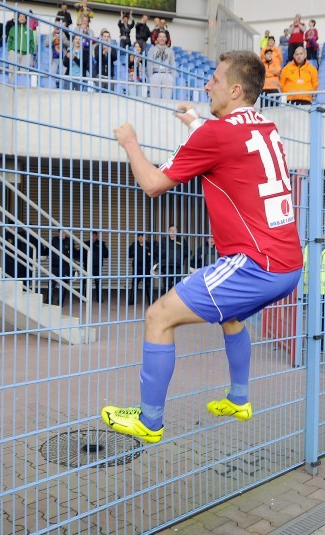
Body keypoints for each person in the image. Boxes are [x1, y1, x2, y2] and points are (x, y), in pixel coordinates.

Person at [102, 50, 303, 444]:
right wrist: (195, 121)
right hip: (288, 265)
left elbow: (153, 184)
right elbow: (229, 144)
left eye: (215, 79)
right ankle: (239, 399)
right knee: (232, 316)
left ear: (235, 89)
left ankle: (149, 421)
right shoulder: (266, 127)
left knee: (158, 316)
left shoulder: (215, 135)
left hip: (255, 266)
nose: (207, 85)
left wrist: (129, 143)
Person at [47, 230, 77, 305]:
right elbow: (47, 250)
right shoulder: (54, 240)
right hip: (54, 265)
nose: (62, 234)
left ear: (66, 234)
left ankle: (60, 302)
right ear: (58, 233)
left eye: (64, 233)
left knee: (63, 284)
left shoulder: (69, 241)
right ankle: (49, 301)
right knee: (51, 284)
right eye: (60, 232)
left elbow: (74, 252)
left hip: (65, 266)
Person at [158, 225, 189, 294]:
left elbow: (187, 252)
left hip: (178, 266)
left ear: (177, 231)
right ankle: (166, 299)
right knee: (167, 285)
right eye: (170, 230)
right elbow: (159, 252)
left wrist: (180, 255)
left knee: (178, 285)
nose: (172, 232)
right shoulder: (164, 240)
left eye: (174, 230)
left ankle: (175, 300)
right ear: (168, 232)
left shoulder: (181, 240)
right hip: (167, 266)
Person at [7, 13, 36, 84]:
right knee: (12, 71)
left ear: (26, 19)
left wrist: (30, 53)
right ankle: (10, 86)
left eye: (24, 17)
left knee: (23, 73)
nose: (22, 18)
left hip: (25, 55)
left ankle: (21, 88)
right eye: (20, 16)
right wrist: (10, 50)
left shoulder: (29, 31)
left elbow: (32, 43)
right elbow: (9, 40)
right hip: (14, 52)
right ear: (18, 18)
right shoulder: (13, 28)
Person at [147, 31, 176, 99]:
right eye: (160, 36)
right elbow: (149, 64)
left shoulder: (170, 51)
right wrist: (150, 76)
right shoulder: (152, 49)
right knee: (154, 97)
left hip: (167, 74)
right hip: (155, 73)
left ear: (166, 39)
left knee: (167, 98)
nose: (162, 38)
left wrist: (172, 77)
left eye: (163, 37)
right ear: (157, 38)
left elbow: (173, 64)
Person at [127, 234, 153, 305]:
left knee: (148, 285)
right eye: (139, 237)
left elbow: (153, 255)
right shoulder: (134, 245)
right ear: (137, 238)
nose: (141, 238)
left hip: (146, 268)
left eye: (142, 237)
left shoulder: (149, 245)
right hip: (137, 268)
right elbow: (129, 255)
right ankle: (131, 300)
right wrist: (134, 252)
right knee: (134, 285)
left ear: (145, 238)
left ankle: (150, 300)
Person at [83, 231, 109, 301]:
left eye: (95, 235)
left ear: (97, 236)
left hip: (97, 266)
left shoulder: (101, 244)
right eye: (92, 235)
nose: (93, 237)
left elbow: (106, 255)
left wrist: (101, 248)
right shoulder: (86, 243)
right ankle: (83, 298)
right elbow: (82, 254)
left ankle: (99, 298)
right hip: (87, 265)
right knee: (85, 282)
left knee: (98, 282)